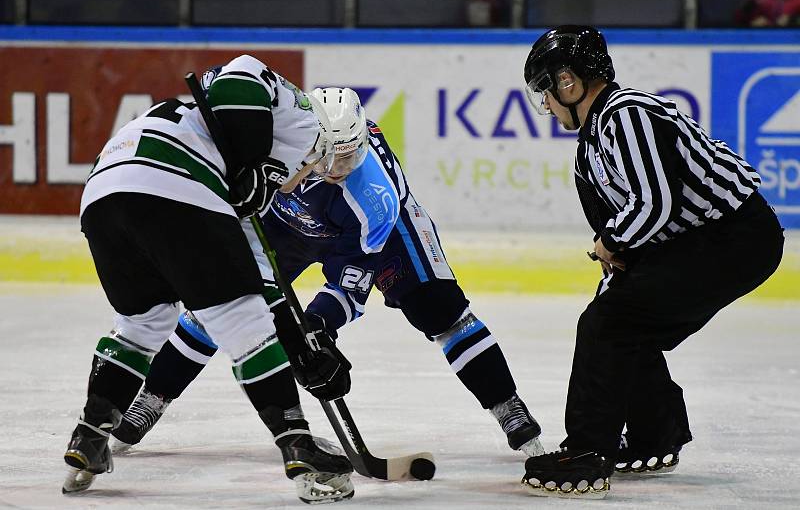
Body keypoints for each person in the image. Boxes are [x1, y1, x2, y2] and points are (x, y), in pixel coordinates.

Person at [110, 86, 545, 460]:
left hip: (366, 232)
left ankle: (508, 405)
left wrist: (316, 326)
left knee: (441, 311)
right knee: (218, 300)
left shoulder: (376, 200)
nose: (337, 169)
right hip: (286, 220)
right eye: (329, 157)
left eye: (350, 156)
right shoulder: (278, 135)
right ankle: (152, 396)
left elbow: (351, 284)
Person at [63, 55, 354, 504]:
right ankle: (298, 446)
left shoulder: (234, 173)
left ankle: (89, 436)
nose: (307, 179)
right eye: (317, 169)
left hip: (105, 192)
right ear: (323, 147)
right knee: (243, 324)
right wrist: (254, 159)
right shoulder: (304, 122)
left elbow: (262, 278)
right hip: (174, 181)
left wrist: (299, 344)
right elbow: (240, 73)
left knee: (143, 323)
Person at [520, 26, 784, 498]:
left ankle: (586, 452)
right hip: (702, 243)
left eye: (546, 91)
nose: (546, 106)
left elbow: (655, 204)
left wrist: (611, 242)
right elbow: (630, 231)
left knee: (610, 323)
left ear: (569, 82)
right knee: (618, 321)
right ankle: (654, 437)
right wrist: (614, 258)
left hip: (736, 237)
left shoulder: (627, 113)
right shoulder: (591, 146)